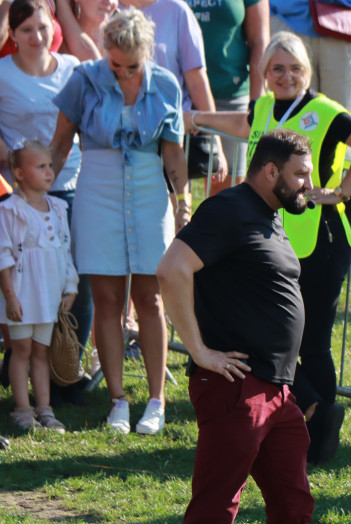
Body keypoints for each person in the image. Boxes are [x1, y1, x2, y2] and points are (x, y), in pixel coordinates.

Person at [158, 128, 351, 524]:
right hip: (236, 389)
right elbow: (171, 269)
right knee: (210, 518)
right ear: (270, 171)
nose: (310, 185)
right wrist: (200, 351)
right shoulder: (228, 208)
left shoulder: (273, 215)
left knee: (294, 510)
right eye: (301, 174)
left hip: (278, 394)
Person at [187, 30, 351, 464]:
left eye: (295, 68)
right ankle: (299, 418)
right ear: (264, 73)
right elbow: (242, 125)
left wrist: (344, 190)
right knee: (278, 334)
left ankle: (320, 430)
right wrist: (197, 118)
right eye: (277, 68)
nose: (286, 76)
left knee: (312, 340)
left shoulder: (323, 109)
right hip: (274, 243)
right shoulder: (262, 108)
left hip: (321, 241)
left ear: (307, 72)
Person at [51, 8, 188, 435]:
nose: (124, 73)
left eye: (132, 66)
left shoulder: (165, 82)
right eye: (116, 65)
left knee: (150, 299)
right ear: (105, 51)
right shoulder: (83, 80)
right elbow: (58, 146)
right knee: (107, 302)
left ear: (147, 54)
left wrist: (182, 200)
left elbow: (173, 152)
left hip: (149, 190)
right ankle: (117, 401)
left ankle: (155, 401)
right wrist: (35, 196)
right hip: (97, 188)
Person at [0, 0, 91, 405]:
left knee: (73, 278)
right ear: (11, 35)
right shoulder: (2, 74)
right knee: (19, 278)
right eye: (25, 30)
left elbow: (98, 60)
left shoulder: (72, 67)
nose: (36, 37)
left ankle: (67, 366)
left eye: (42, 27)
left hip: (67, 187)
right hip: (16, 196)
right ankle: (17, 357)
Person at [0, 141, 76, 433]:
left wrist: (69, 286)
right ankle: (22, 409)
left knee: (41, 351)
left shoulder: (58, 207)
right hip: (21, 293)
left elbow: (65, 249)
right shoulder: (10, 211)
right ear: (18, 173)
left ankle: (45, 408)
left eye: (50, 166)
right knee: (21, 350)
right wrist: (9, 296)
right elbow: (3, 256)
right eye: (40, 166)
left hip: (47, 294)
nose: (49, 172)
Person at [121, 0, 227, 182]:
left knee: (178, 207)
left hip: (171, 139)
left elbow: (196, 81)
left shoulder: (178, 10)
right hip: (122, 138)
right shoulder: (104, 7)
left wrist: (215, 141)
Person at [186, 0, 269, 192]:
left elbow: (260, 42)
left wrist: (257, 104)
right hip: (179, 96)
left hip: (231, 98)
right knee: (174, 195)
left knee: (226, 196)